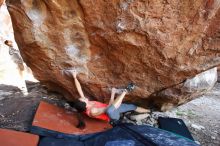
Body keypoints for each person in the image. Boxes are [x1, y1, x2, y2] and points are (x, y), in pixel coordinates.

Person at [69, 70, 150, 127]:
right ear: (84, 104)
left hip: (112, 107)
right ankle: (126, 90)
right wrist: (113, 94)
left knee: (132, 107)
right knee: (109, 110)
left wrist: (74, 77)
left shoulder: (84, 104)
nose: (83, 97)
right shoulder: (93, 111)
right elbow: (111, 107)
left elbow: (79, 89)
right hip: (113, 116)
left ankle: (150, 111)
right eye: (82, 99)